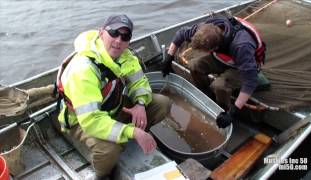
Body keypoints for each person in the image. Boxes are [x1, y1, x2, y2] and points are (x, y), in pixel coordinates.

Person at [56, 14, 170, 179]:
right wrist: (133, 132)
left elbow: (140, 83)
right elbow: (91, 120)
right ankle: (102, 170)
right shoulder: (83, 70)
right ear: (101, 33)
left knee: (162, 103)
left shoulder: (125, 56)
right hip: (81, 121)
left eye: (125, 36)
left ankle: (126, 137)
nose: (118, 40)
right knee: (110, 150)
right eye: (114, 33)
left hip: (112, 108)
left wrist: (139, 104)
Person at [162, 15, 266, 129]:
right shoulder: (203, 30)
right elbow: (180, 34)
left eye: (204, 51)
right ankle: (207, 93)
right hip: (223, 58)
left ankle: (223, 110)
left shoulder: (242, 46)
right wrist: (169, 58)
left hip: (240, 66)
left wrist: (233, 112)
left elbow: (250, 81)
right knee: (194, 65)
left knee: (219, 85)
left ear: (215, 47)